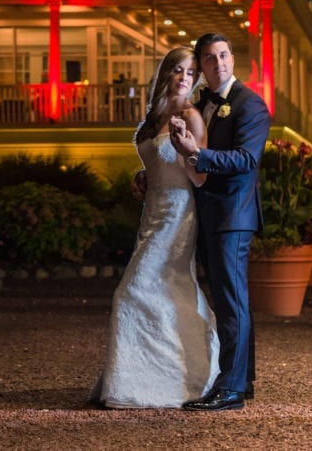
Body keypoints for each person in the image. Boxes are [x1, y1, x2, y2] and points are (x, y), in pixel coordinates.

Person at [89, 46, 219, 409]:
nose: (184, 77)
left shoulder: (192, 116)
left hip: (179, 214)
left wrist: (187, 146)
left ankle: (175, 378)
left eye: (191, 73)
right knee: (164, 292)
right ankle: (154, 376)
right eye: (178, 70)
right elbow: (159, 162)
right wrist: (143, 175)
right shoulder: (154, 115)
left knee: (132, 290)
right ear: (166, 73)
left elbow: (199, 175)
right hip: (152, 211)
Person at [168, 32, 270, 412]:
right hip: (209, 213)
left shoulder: (250, 105)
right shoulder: (200, 104)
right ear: (202, 65)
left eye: (223, 55)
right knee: (230, 301)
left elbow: (246, 160)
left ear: (232, 59)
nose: (219, 63)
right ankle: (242, 380)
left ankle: (230, 389)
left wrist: (200, 153)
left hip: (234, 214)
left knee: (232, 302)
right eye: (210, 58)